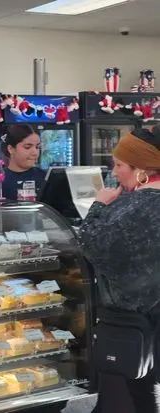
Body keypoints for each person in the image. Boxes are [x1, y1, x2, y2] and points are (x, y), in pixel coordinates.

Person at [80, 127, 160, 413]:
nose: (114, 173)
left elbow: (90, 244)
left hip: (129, 322)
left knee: (129, 395)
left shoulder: (133, 204)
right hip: (153, 319)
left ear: (142, 169)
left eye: (119, 165)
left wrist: (98, 206)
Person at [0, 124, 46, 200]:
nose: (35, 153)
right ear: (11, 149)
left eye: (37, 147)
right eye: (27, 147)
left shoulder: (45, 178)